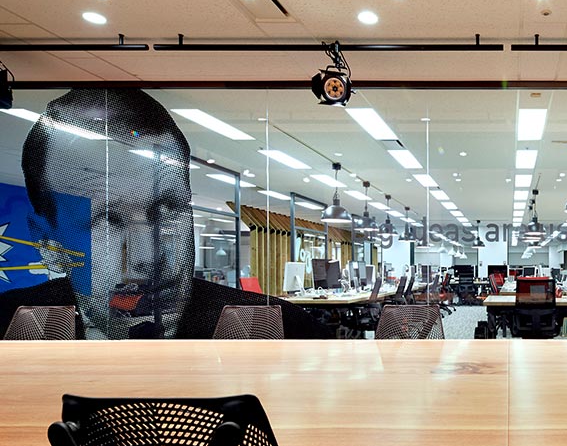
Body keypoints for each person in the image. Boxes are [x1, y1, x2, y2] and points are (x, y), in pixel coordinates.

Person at [0, 88, 328, 339]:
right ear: (50, 244)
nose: (149, 255)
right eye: (109, 219)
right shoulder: (10, 326)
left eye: (167, 210)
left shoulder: (280, 329)